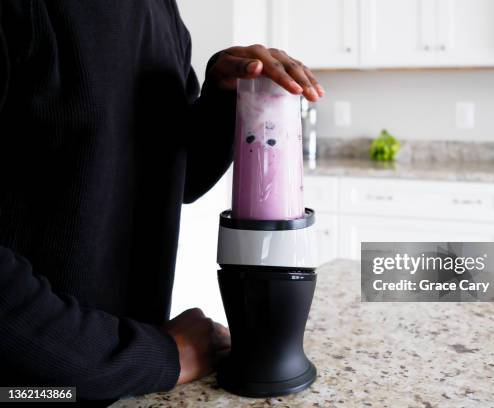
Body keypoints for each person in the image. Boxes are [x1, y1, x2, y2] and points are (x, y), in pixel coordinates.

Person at [0, 1, 323, 404]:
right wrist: (147, 356)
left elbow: (172, 176)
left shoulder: (159, 9)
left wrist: (222, 99)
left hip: (126, 389)